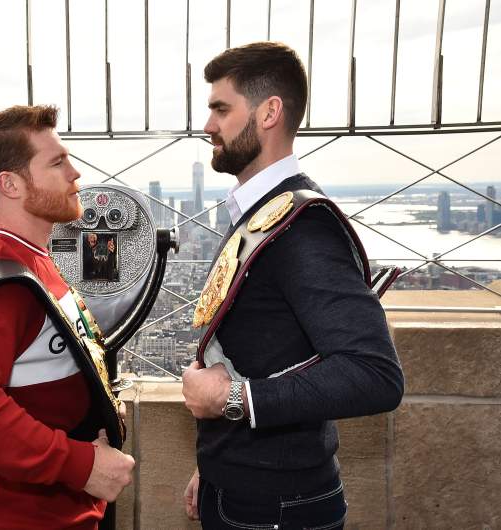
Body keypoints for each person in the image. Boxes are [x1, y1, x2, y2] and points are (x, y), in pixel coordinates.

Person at [181, 42, 404, 529]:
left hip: (278, 508)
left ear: (269, 113)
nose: (208, 125)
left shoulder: (303, 227)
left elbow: (374, 374)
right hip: (246, 491)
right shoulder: (264, 213)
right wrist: (216, 467)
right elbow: (261, 349)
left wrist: (231, 400)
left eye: (221, 108)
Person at [0, 104, 134, 530]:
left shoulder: (35, 264)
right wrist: (80, 465)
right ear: (11, 184)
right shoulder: (5, 285)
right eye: (57, 162)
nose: (75, 174)